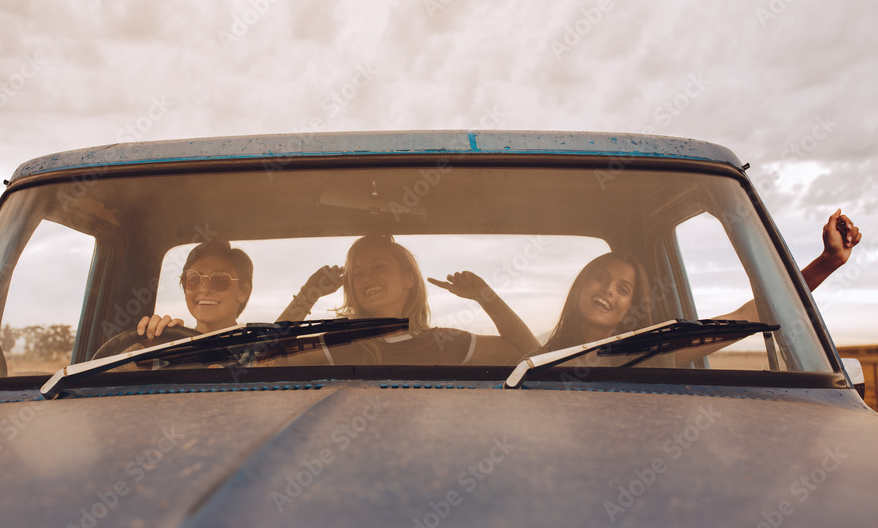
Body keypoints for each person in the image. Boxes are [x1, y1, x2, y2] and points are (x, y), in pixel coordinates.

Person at [538, 208, 862, 356]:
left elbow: (756, 313)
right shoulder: (537, 358)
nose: (608, 290)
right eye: (600, 278)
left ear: (629, 308)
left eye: (623, 289)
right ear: (580, 286)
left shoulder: (649, 355)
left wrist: (828, 262)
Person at [279, 234, 538, 365]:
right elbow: (261, 361)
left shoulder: (448, 343)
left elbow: (529, 354)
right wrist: (307, 295)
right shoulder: (340, 345)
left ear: (409, 279)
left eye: (378, 267)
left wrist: (486, 297)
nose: (367, 277)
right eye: (357, 273)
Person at [136, 238, 253, 339]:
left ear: (243, 291)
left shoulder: (262, 355)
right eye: (194, 280)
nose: (204, 289)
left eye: (219, 280)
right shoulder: (168, 347)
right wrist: (151, 339)